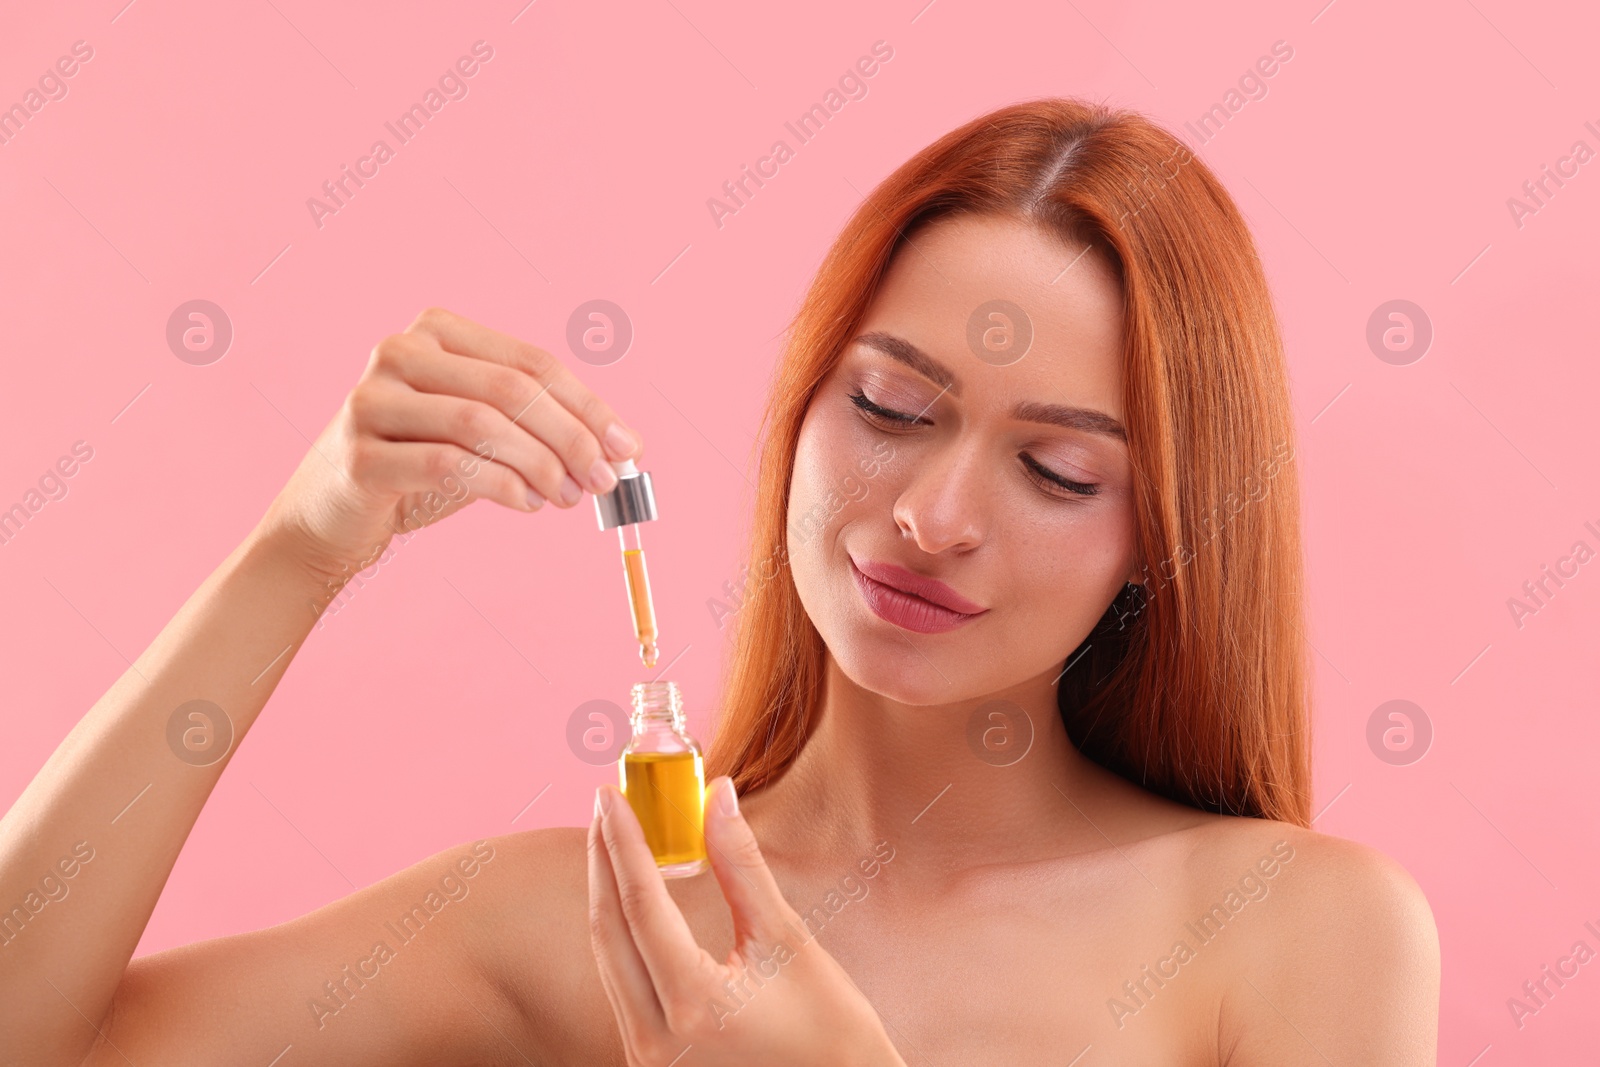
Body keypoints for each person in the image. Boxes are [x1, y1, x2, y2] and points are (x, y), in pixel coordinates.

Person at [0, 97, 1439, 1065]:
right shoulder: (597, 919)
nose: (935, 515)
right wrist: (299, 549)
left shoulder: (1300, 935)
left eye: (1058, 472)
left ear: (1164, 541)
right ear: (802, 407)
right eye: (889, 406)